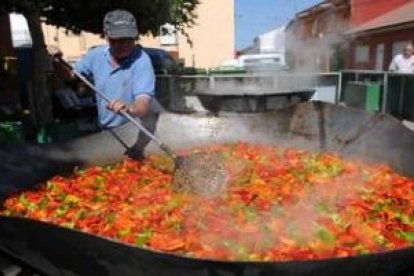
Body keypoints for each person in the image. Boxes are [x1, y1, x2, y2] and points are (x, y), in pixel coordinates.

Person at [49, 9, 156, 129]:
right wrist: (57, 62)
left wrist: (129, 109)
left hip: (133, 128)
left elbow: (143, 102)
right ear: (106, 36)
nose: (124, 44)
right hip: (106, 130)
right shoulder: (95, 55)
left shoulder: (142, 60)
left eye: (129, 38)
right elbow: (70, 75)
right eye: (118, 39)